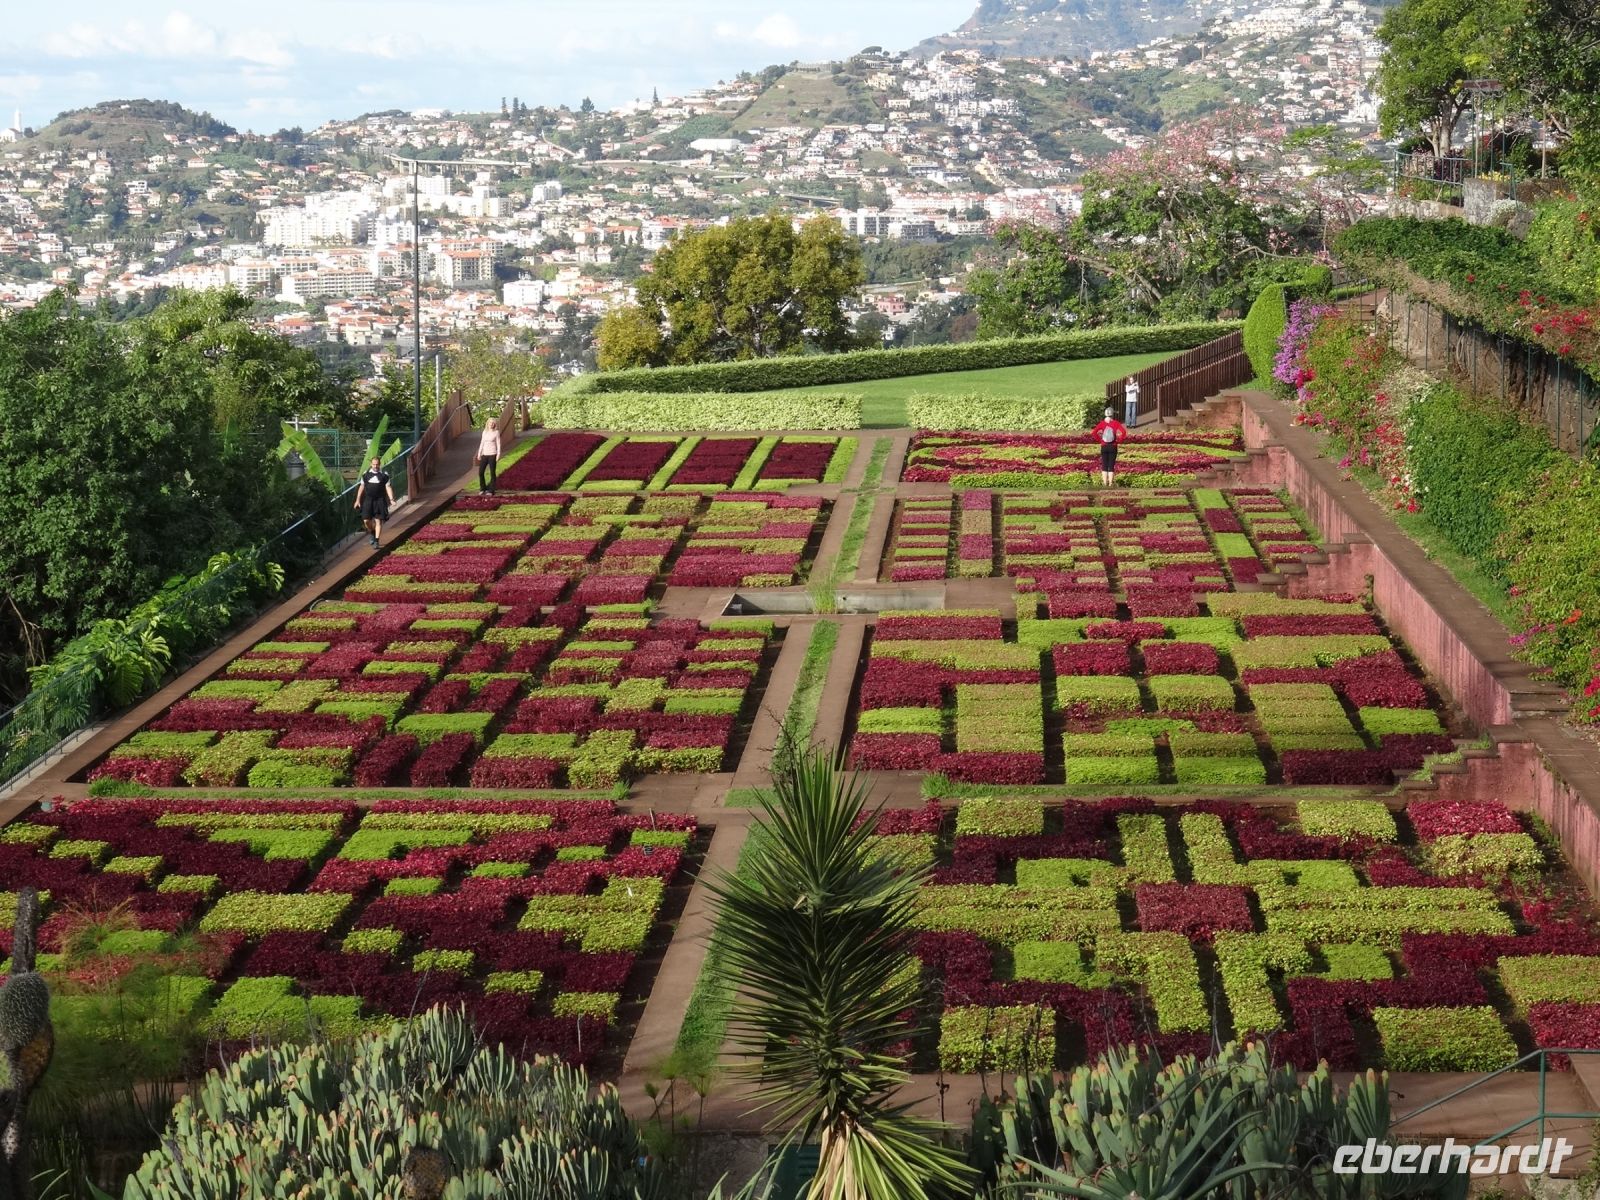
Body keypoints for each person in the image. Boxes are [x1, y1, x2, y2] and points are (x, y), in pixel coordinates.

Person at [354, 456, 395, 549]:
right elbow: (361, 487)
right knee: (366, 520)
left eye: (377, 464)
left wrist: (391, 499)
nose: (375, 466)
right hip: (368, 500)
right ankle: (372, 531)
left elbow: (388, 487)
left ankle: (376, 541)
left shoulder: (384, 475)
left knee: (378, 521)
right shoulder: (366, 474)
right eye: (374, 464)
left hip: (380, 500)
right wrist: (357, 500)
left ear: (379, 464)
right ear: (371, 464)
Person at [1092, 405, 1129, 487]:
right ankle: (1111, 483)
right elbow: (1123, 432)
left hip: (1104, 446)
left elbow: (1094, 433)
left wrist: (1100, 440)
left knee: (1104, 465)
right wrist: (1119, 440)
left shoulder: (1102, 423)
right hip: (1113, 446)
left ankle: (1105, 483)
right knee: (1111, 465)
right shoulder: (1116, 423)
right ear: (1112, 414)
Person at [477, 417, 501, 495]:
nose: (491, 424)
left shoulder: (496, 432)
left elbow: (498, 444)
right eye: (490, 423)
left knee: (492, 473)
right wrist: (479, 453)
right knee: (480, 472)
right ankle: (482, 488)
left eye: (493, 423)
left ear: (494, 424)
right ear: (488, 423)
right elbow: (482, 443)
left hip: (492, 454)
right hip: (484, 454)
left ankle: (491, 490)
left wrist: (498, 454)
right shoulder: (484, 432)